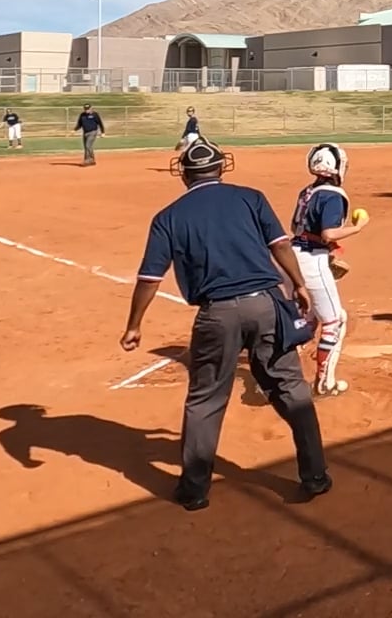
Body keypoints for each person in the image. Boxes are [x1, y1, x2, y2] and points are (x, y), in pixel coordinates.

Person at [120, 139, 332, 511]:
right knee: (291, 389)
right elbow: (281, 246)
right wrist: (299, 285)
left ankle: (194, 490)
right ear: (222, 167)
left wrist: (134, 325)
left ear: (184, 174)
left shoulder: (169, 217)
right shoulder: (250, 198)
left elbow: (150, 277)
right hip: (267, 305)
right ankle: (314, 475)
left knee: (205, 399)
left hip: (217, 315)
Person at [290, 143, 364, 396]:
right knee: (335, 321)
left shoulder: (307, 191)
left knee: (306, 319)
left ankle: (279, 371)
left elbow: (297, 228)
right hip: (312, 260)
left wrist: (330, 250)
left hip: (292, 257)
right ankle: (325, 383)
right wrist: (358, 227)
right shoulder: (333, 195)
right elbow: (328, 233)